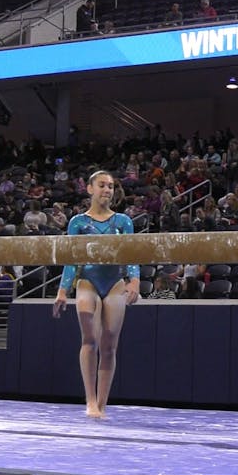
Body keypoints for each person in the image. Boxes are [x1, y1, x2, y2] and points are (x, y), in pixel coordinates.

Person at [53, 171, 141, 418]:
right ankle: (90, 401)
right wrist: (62, 291)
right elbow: (71, 261)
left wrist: (134, 281)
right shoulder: (78, 222)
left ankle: (102, 403)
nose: (107, 190)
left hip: (114, 282)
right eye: (102, 185)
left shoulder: (123, 221)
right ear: (89, 189)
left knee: (110, 345)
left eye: (111, 186)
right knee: (89, 338)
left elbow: (132, 253)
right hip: (87, 281)